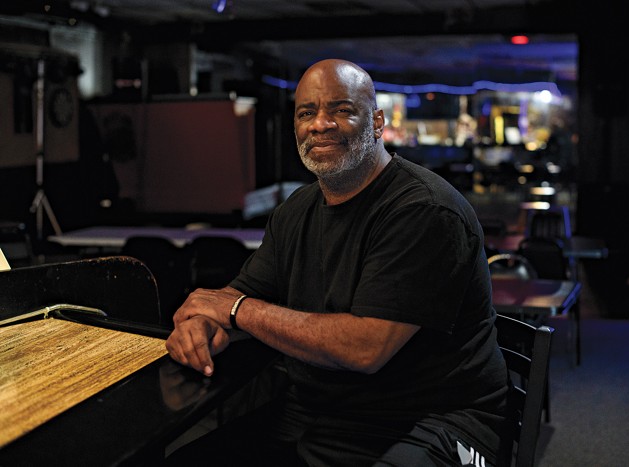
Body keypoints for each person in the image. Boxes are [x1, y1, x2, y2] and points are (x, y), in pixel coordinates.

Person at [165, 59, 508, 467]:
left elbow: (365, 348)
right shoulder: (297, 211)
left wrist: (234, 310)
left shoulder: (424, 210)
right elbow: (239, 294)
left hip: (435, 421)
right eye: (307, 112)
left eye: (342, 110)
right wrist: (203, 323)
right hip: (322, 414)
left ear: (378, 122)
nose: (320, 124)